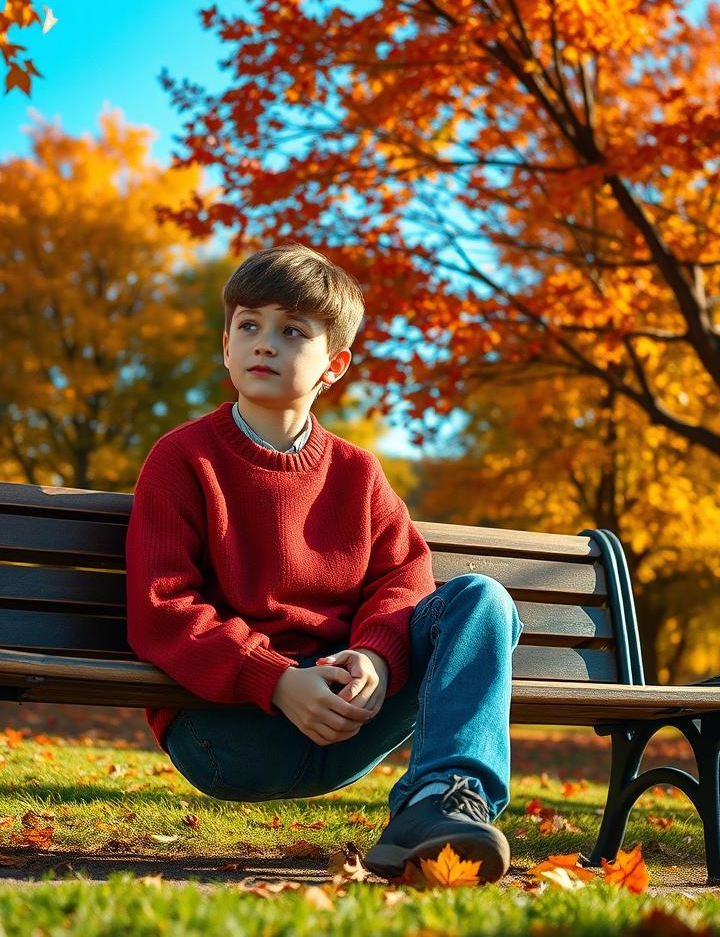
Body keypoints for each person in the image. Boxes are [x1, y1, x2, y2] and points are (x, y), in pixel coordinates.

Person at [125, 242, 522, 883]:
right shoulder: (182, 459)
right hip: (230, 730)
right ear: (225, 345)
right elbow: (163, 606)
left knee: (483, 600)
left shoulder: (358, 472)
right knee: (470, 604)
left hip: (348, 712)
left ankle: (440, 802)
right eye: (248, 326)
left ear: (333, 365)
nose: (264, 343)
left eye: (291, 330)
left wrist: (375, 655)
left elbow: (403, 579)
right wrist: (275, 679)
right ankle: (431, 800)